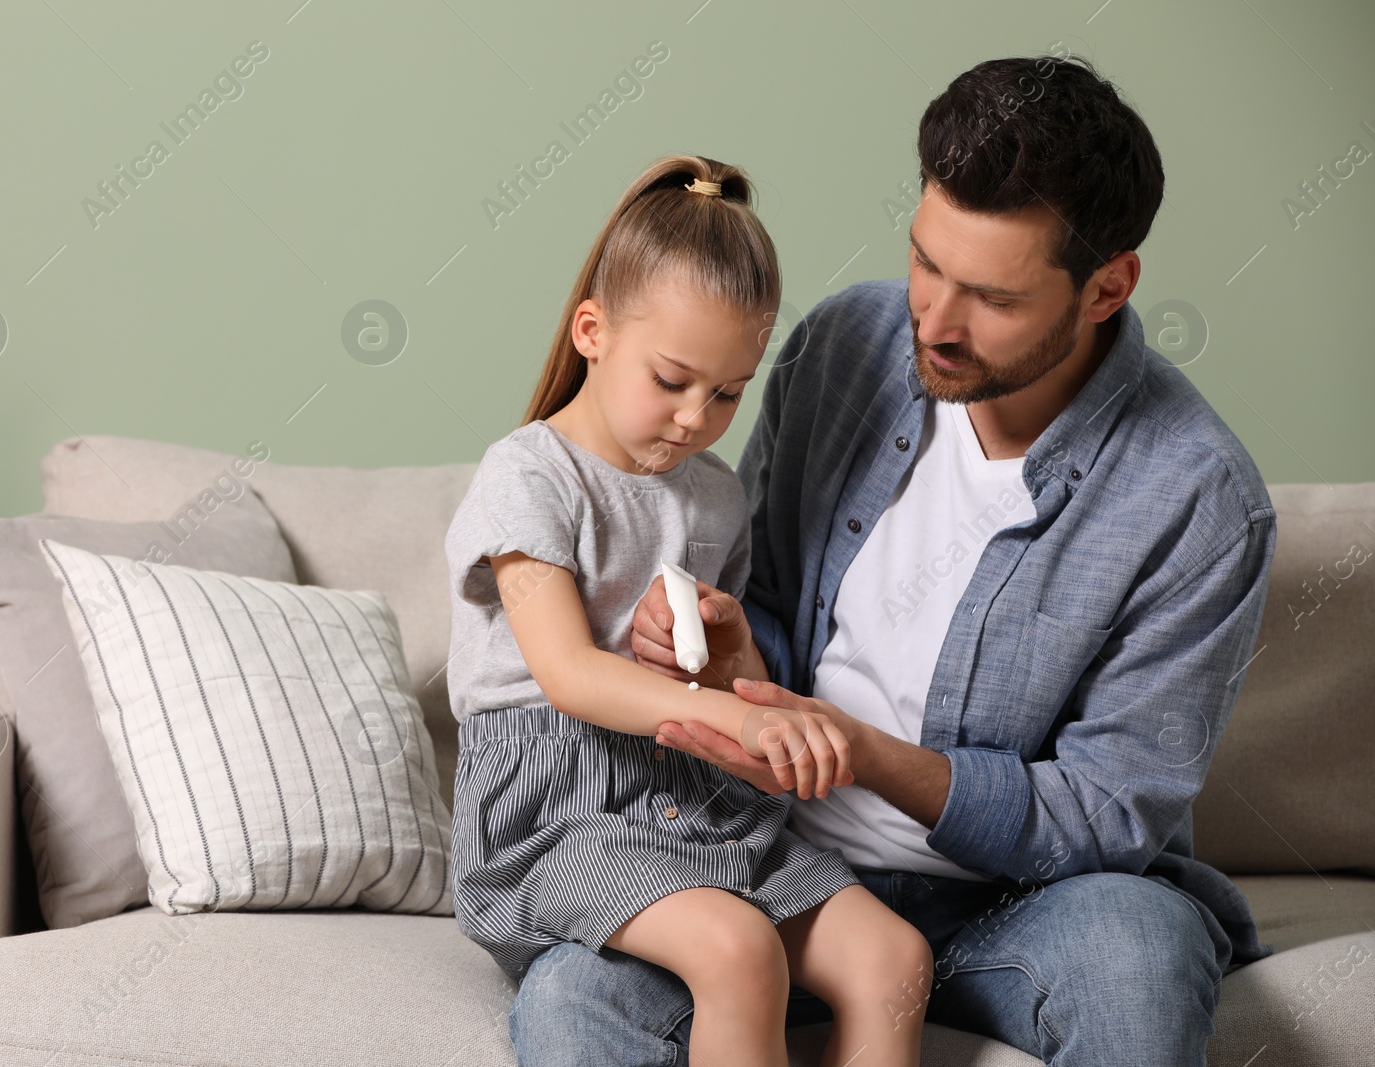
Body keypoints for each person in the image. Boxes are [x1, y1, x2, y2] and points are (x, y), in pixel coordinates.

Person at [509, 56, 1279, 1066]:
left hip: (1029, 902)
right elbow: (773, 608)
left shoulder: (1197, 498)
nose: (934, 319)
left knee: (1138, 961)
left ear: (1107, 287)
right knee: (574, 996)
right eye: (926, 262)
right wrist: (736, 652)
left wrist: (869, 755)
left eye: (991, 297)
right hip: (777, 858)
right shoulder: (841, 350)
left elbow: (1108, 812)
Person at [444, 155, 933, 1067]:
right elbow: (570, 672)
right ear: (592, 331)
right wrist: (721, 708)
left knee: (894, 958)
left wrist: (725, 662)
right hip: (559, 812)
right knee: (738, 948)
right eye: (670, 380)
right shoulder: (529, 475)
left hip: (694, 800)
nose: (695, 418)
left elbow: (713, 677)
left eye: (728, 393)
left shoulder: (714, 498)